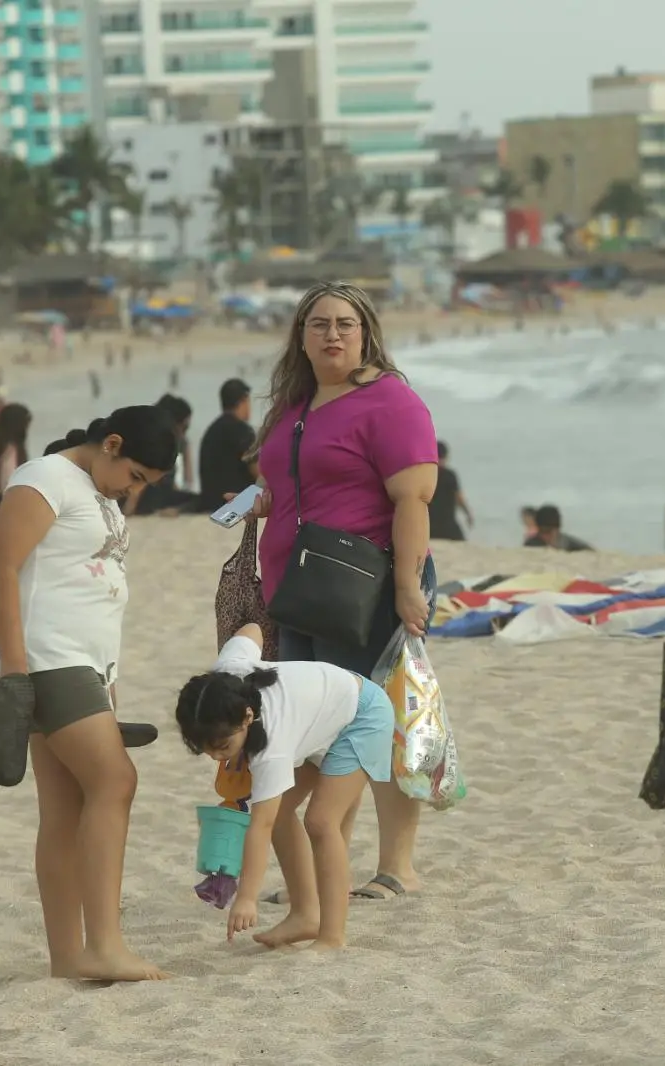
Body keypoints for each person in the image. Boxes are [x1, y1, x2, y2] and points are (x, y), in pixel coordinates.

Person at [233, 281, 438, 903]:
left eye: (346, 324)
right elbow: (297, 486)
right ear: (300, 335)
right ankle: (330, 869)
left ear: (367, 332)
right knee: (314, 721)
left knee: (375, 715)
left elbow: (414, 497)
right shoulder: (297, 404)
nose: (333, 335)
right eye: (319, 324)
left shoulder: (389, 402)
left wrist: (407, 586)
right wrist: (255, 502)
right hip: (299, 586)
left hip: (367, 583)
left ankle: (398, 866)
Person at [0, 405, 179, 982]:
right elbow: (0, 565)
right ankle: (105, 946)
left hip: (82, 665)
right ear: (110, 444)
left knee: (66, 809)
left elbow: (88, 587)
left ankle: (68, 956)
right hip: (47, 658)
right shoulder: (45, 478)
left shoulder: (96, 493)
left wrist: (108, 681)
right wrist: (15, 670)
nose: (134, 490)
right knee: (115, 781)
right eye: (135, 476)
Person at [175, 622, 398, 949]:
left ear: (247, 717)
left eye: (221, 747)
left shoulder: (271, 745)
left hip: (363, 716)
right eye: (204, 749)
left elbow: (259, 826)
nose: (213, 757)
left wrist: (247, 898)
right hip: (318, 719)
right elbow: (250, 629)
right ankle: (305, 915)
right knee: (280, 812)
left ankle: (333, 935)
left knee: (321, 822)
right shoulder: (227, 672)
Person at [129, 393, 199, 515]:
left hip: (162, 494)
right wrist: (130, 506)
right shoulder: (154, 440)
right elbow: (141, 478)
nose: (184, 432)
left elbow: (186, 480)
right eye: (185, 427)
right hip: (151, 496)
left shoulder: (178, 441)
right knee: (197, 501)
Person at [197, 377, 257, 513]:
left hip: (209, 503)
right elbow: (257, 471)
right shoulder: (242, 430)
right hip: (236, 503)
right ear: (243, 401)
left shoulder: (211, 431)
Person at [428, 440, 473, 541]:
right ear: (446, 456)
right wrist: (468, 513)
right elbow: (459, 498)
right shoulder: (450, 475)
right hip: (448, 528)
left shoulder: (425, 474)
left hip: (429, 528)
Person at [523, 504, 592, 552]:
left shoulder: (571, 545)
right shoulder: (532, 544)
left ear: (557, 530)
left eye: (548, 531)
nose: (545, 536)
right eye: (541, 531)